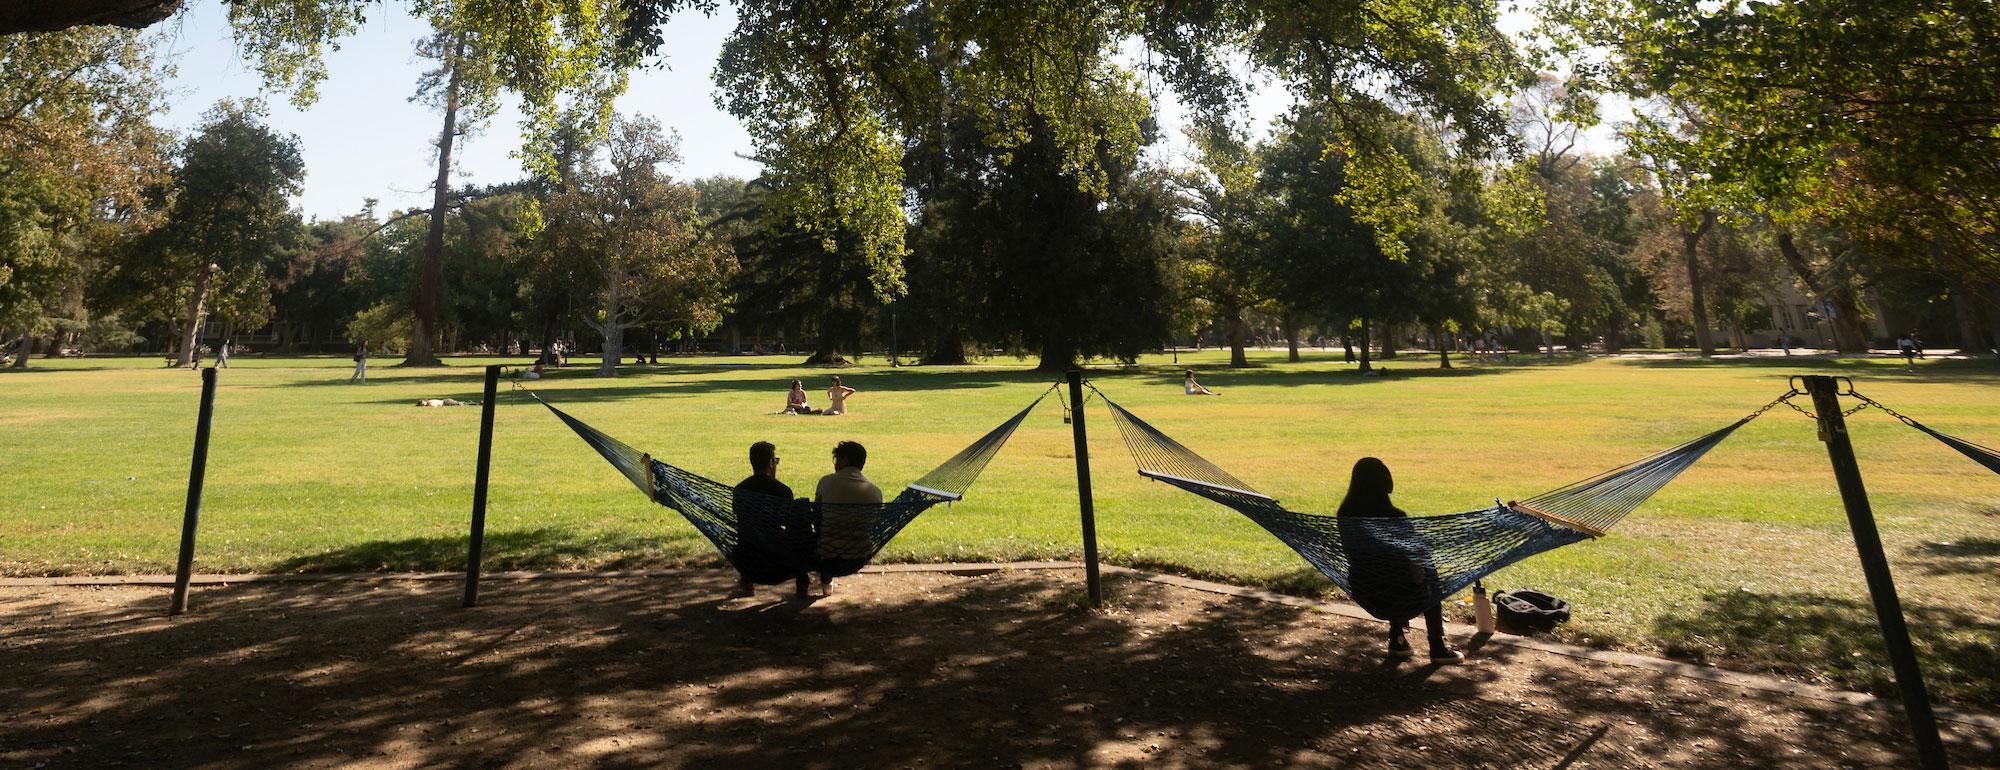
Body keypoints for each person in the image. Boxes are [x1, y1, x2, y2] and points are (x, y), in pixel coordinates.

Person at [1336, 457, 1463, 664]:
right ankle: (1437, 646)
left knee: (1389, 571)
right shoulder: (1395, 516)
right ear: (1386, 483)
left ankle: (1397, 639)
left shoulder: (1345, 514)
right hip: (1401, 593)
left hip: (1364, 588)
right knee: (1428, 573)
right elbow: (1416, 553)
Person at [731, 441, 812, 598]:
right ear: (770, 463)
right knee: (801, 523)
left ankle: (748, 582)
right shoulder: (782, 491)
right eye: (775, 460)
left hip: (747, 560)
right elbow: (789, 524)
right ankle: (802, 581)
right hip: (777, 560)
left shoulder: (740, 490)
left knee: (748, 536)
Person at [813, 440, 883, 594]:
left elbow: (817, 516)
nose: (835, 464)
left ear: (845, 460)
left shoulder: (826, 482)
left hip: (827, 553)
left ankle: (819, 580)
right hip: (859, 554)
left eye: (837, 459)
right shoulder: (875, 492)